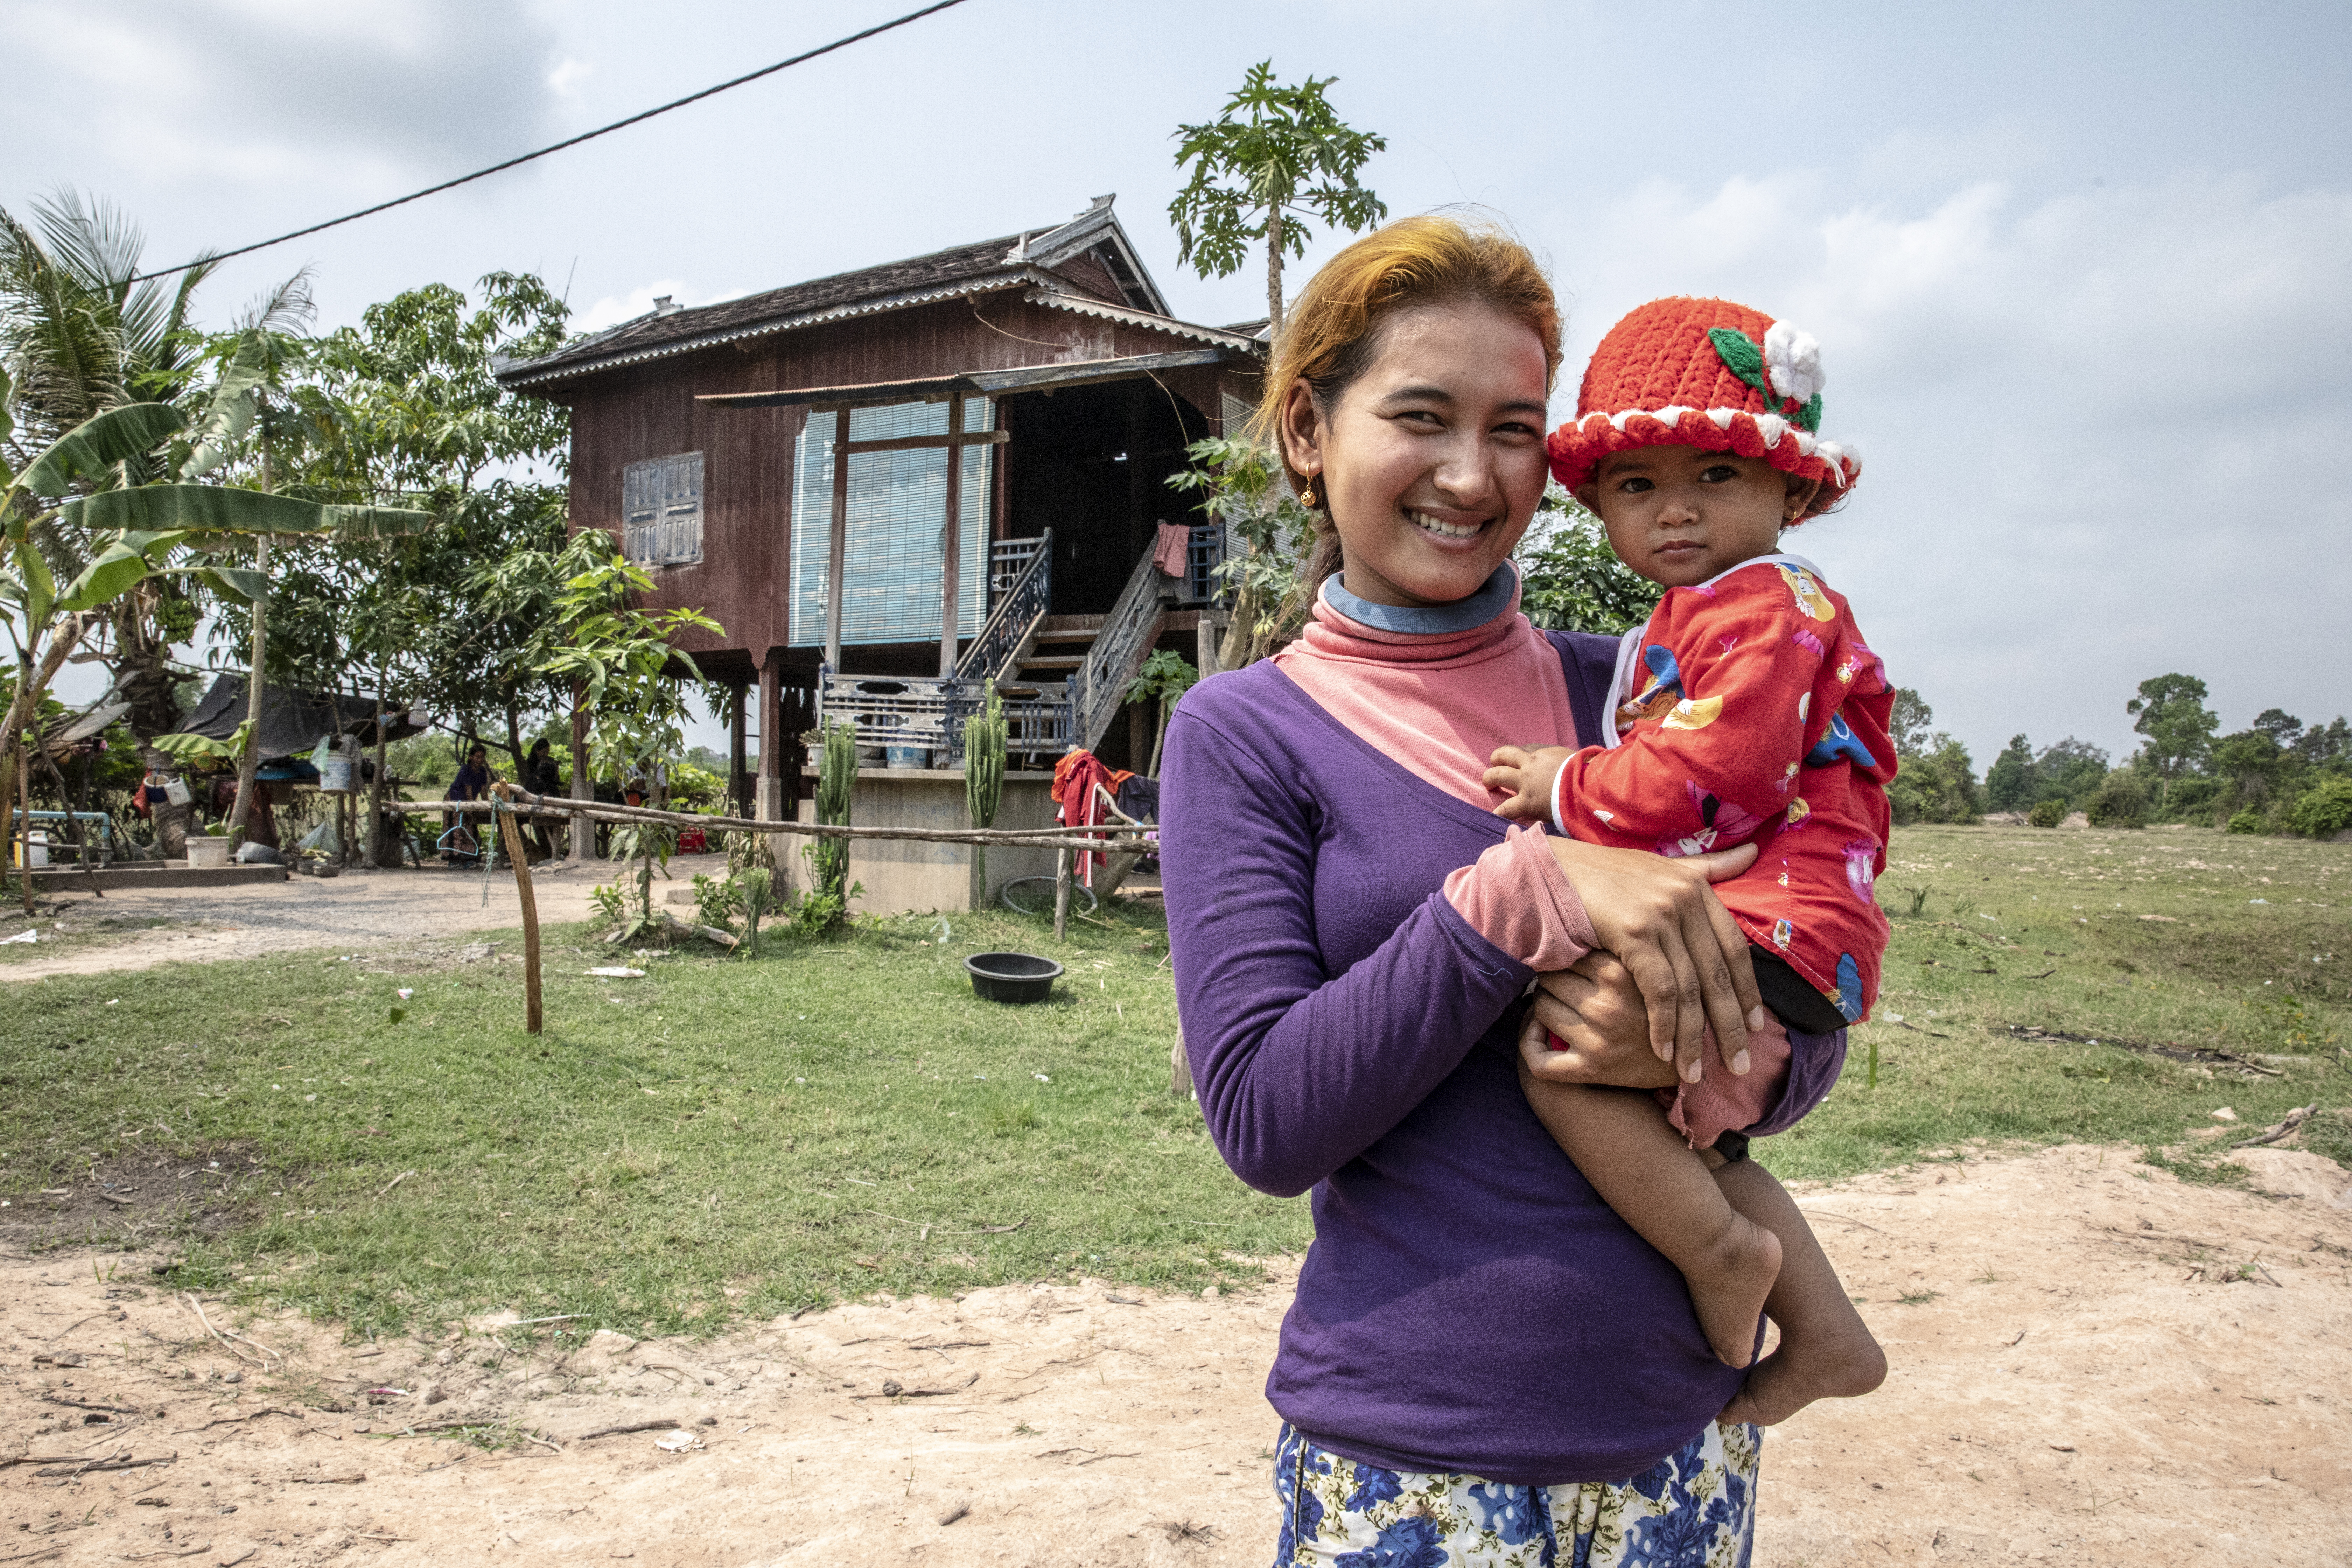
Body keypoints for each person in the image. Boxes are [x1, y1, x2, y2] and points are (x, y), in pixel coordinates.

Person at [1162, 217, 1848, 1563]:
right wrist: (1518, 894)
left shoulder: (1641, 693)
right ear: (1308, 431)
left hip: (1679, 1445)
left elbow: (1809, 1019)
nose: (1472, 476)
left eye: (1518, 429)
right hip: (1410, 1466)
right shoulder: (1245, 733)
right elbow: (1264, 1120)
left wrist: (1708, 1050)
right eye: (1422, 415)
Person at [1485, 296, 1892, 1423]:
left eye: (1715, 477)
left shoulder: (1763, 611)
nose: (1674, 512)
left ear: (1791, 489)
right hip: (1784, 923)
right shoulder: (1702, 610)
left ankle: (1722, 1257)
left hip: (1773, 922)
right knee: (1693, 1137)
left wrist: (1563, 785)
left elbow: (1722, 774)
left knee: (1565, 1060)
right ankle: (1828, 1334)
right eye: (1638, 486)